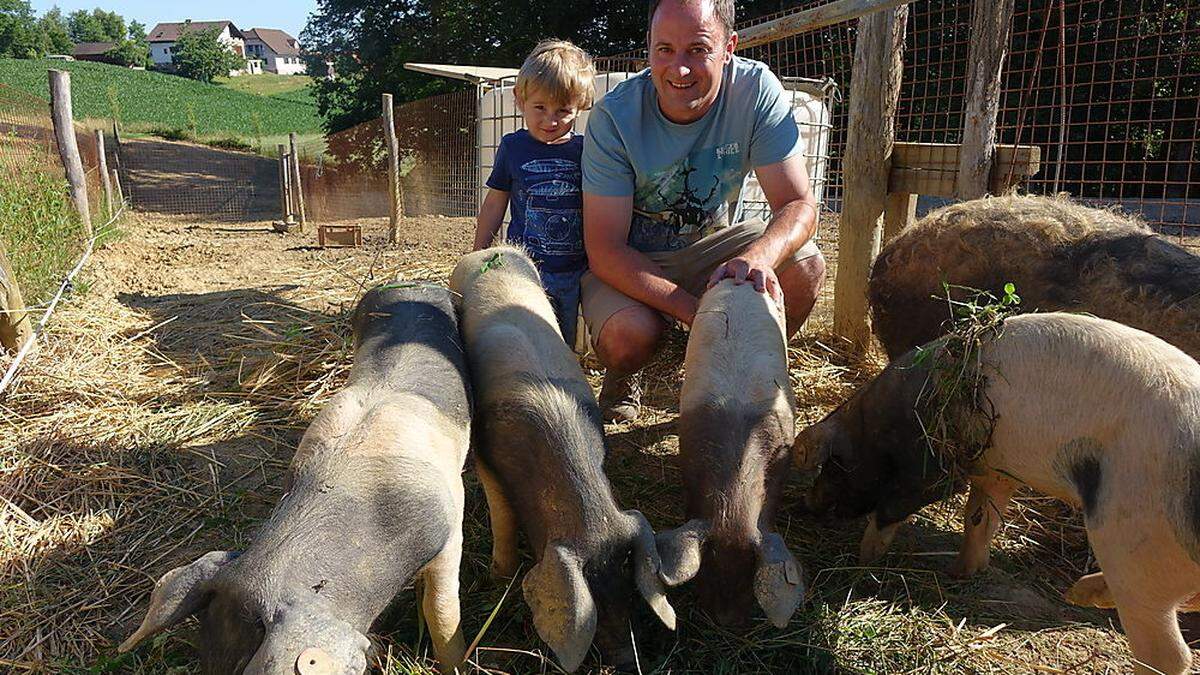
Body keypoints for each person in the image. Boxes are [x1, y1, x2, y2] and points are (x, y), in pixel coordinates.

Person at [581, 0, 827, 423]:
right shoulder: (614, 116)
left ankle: (746, 372)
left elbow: (797, 204)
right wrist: (701, 315)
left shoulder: (756, 90)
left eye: (698, 50)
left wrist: (756, 260)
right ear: (649, 47)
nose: (679, 70)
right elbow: (604, 248)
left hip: (714, 246)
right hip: (636, 258)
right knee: (627, 337)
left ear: (729, 46)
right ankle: (627, 374)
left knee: (804, 267)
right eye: (664, 50)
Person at [474, 39, 596, 347]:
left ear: (580, 106)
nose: (550, 120)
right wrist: (479, 255)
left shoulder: (585, 150)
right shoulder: (513, 147)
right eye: (539, 107)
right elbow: (495, 202)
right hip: (524, 266)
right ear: (520, 99)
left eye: (564, 110)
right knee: (524, 337)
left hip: (572, 269)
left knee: (561, 342)